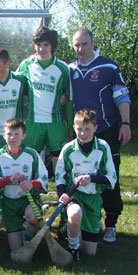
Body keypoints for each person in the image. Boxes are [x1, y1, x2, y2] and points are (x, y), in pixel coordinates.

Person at [70, 29, 131, 243]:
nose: (80, 49)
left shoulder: (109, 66)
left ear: (93, 43)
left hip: (106, 129)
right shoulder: (70, 69)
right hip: (81, 132)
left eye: (84, 44)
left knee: (109, 176)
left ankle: (111, 224)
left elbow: (122, 96)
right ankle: (91, 218)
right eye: (77, 45)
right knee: (84, 175)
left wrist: (125, 123)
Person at [55, 109, 116, 264]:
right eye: (79, 129)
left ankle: (68, 229)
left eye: (87, 129)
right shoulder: (68, 149)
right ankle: (73, 249)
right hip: (74, 195)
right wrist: (62, 193)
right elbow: (59, 176)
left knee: (90, 252)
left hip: (93, 199)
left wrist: (91, 178)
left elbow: (112, 178)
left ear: (95, 128)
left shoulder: (102, 147)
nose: (83, 133)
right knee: (75, 213)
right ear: (74, 128)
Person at [17, 26, 73, 174]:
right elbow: (17, 88)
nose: (41, 49)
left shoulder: (62, 68)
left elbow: (69, 100)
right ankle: (34, 195)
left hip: (56, 122)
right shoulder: (26, 65)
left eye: (46, 44)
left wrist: (71, 127)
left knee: (59, 162)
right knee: (31, 161)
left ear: (52, 46)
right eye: (38, 44)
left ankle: (62, 195)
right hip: (33, 122)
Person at [0, 48, 28, 223]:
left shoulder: (20, 81)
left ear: (8, 64)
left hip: (16, 134)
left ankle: (26, 206)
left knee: (20, 170)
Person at [0, 118, 48, 250]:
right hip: (8, 203)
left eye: (17, 134)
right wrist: (9, 179)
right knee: (15, 249)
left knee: (33, 217)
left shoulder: (32, 154)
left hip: (28, 200)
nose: (13, 137)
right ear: (3, 135)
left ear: (24, 136)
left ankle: (28, 235)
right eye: (9, 134)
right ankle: (16, 227)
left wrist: (31, 184)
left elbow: (44, 178)